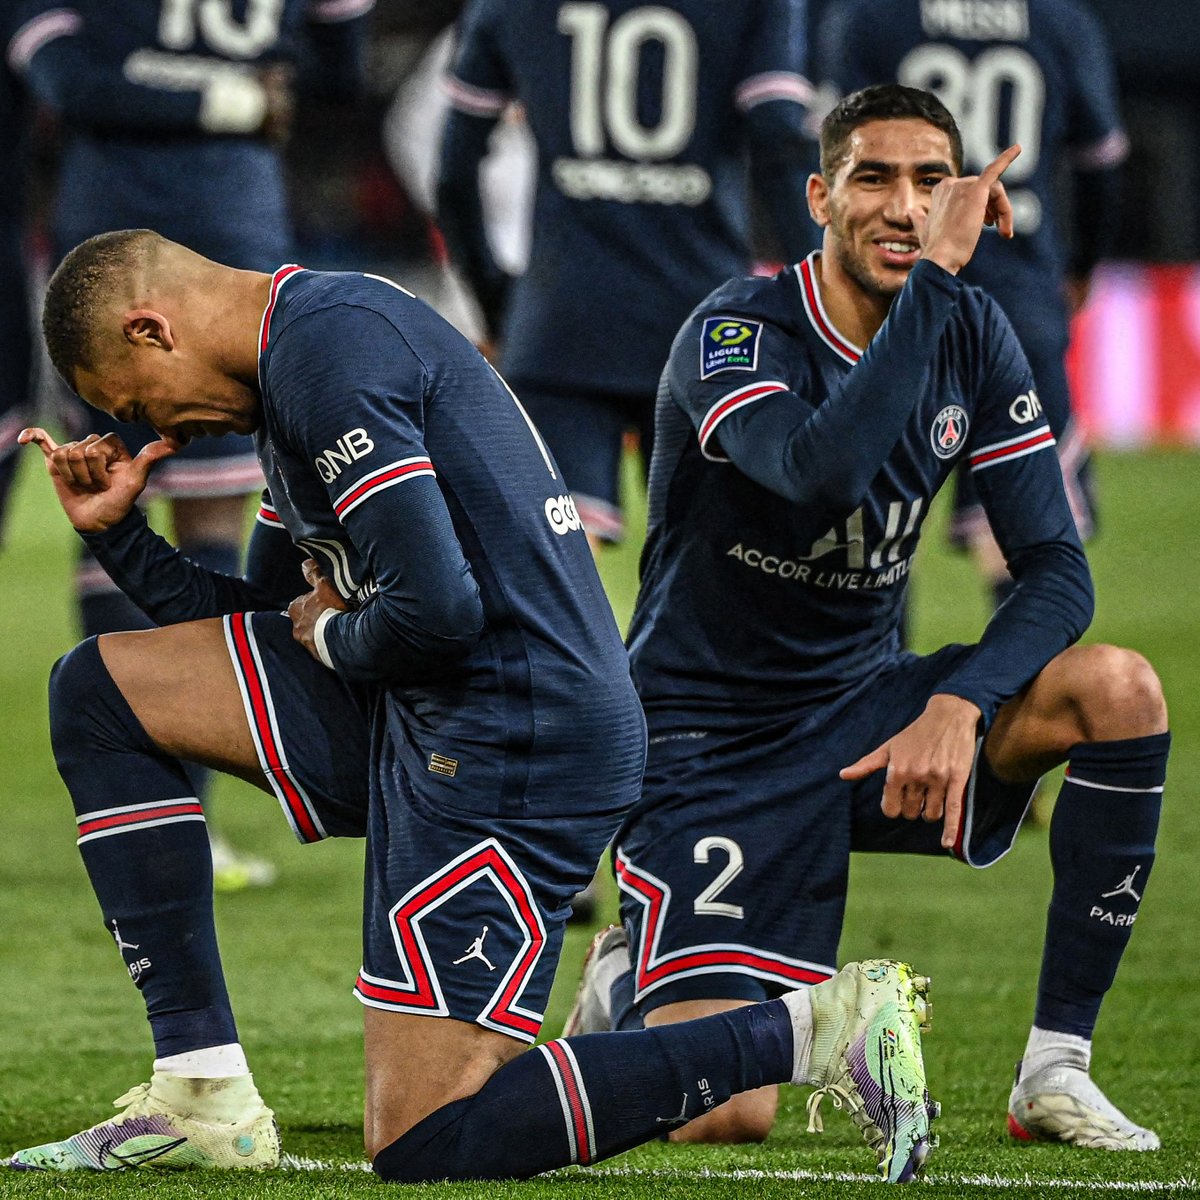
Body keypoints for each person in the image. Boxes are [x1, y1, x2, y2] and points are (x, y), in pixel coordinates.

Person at [9, 229, 936, 1182]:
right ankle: (200, 1091)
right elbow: (278, 620)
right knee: (100, 691)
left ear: (152, 329)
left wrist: (331, 637)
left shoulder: (329, 356)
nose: (159, 431)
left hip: (514, 740)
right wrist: (124, 540)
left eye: (136, 402)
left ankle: (816, 1028)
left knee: (427, 1140)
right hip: (435, 708)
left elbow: (437, 613)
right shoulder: (297, 361)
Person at [565, 84, 1168, 1154]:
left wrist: (958, 700)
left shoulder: (971, 332)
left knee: (1116, 689)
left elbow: (1056, 574)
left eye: (932, 181)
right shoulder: (737, 331)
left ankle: (1056, 1069)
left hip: (865, 720)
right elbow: (819, 475)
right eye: (873, 178)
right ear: (819, 198)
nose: (905, 207)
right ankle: (629, 978)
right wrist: (937, 278)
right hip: (708, 742)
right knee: (724, 1118)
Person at [5, 0, 373, 886]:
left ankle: (160, 815)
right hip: (218, 221)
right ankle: (176, 818)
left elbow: (68, 81)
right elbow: (338, 68)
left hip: (127, 224)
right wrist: (234, 99)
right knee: (160, 511)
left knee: (139, 509)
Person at [436, 0, 816, 550]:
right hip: (706, 326)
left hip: (560, 321)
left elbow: (453, 169)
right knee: (711, 566)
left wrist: (499, 304)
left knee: (560, 567)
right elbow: (778, 135)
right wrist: (820, 294)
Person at [815, 0, 1127, 610]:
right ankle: (1022, 673)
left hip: (892, 307)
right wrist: (1081, 268)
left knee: (870, 526)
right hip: (1019, 299)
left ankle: (870, 673)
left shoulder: (871, 17)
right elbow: (1102, 164)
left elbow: (832, 153)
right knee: (1018, 539)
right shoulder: (1058, 21)